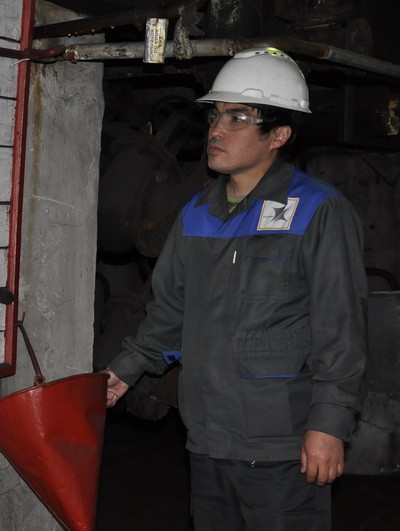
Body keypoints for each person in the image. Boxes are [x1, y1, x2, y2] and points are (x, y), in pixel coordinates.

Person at [103, 47, 367, 530]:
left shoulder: (318, 210)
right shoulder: (197, 213)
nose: (216, 131)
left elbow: (341, 330)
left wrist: (329, 425)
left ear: (279, 135)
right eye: (216, 115)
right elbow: (170, 313)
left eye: (238, 118)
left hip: (283, 445)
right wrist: (127, 369)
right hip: (207, 439)